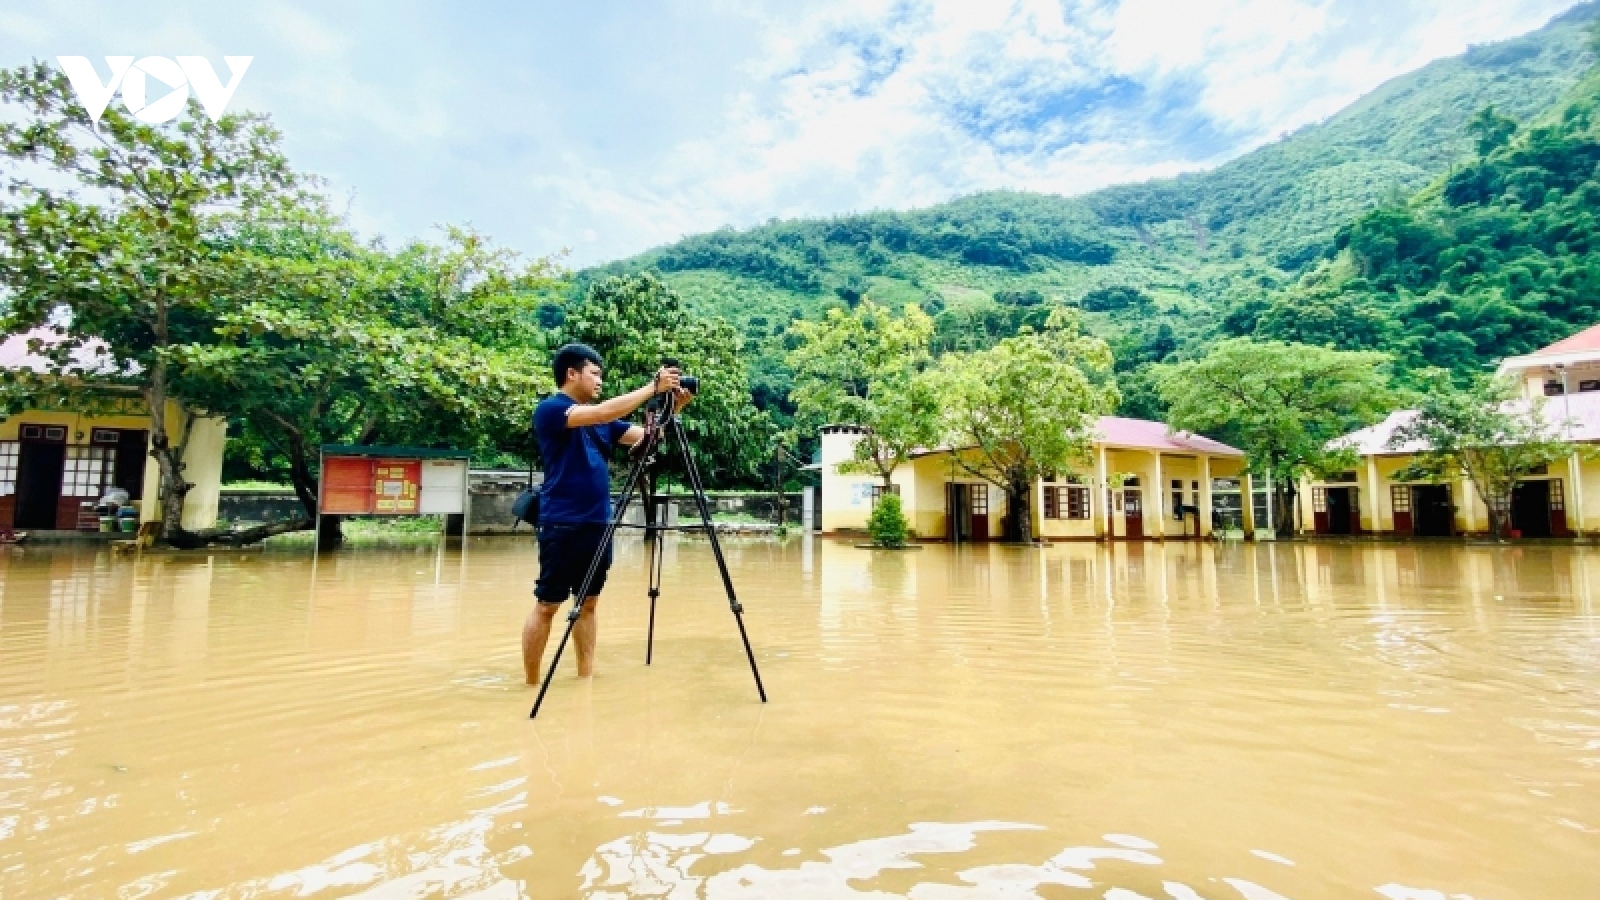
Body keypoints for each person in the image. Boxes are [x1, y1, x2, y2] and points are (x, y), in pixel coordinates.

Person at [523, 343, 690, 685]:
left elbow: (646, 438)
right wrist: (651, 388)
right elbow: (599, 413)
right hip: (562, 521)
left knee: (589, 603)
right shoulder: (552, 409)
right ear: (572, 374)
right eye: (595, 374)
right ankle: (531, 682)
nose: (600, 381)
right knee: (547, 605)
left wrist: (672, 411)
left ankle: (585, 677)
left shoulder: (604, 421)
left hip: (598, 521)